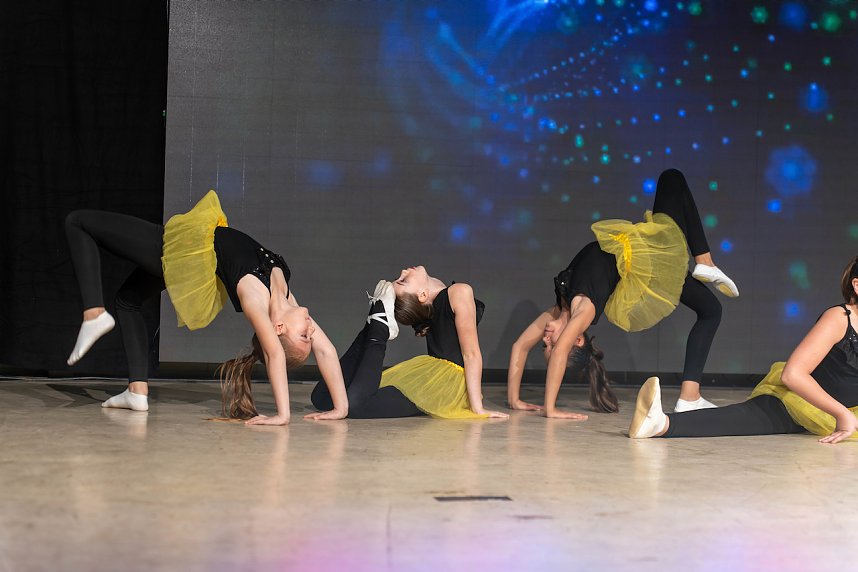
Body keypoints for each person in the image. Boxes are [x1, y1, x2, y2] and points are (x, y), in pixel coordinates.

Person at [64, 190, 347, 425]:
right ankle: (137, 391)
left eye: (304, 336)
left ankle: (94, 313)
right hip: (194, 256)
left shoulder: (255, 300)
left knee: (78, 222)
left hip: (187, 248)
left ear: (279, 328)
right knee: (128, 302)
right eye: (310, 334)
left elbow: (274, 353)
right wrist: (340, 408)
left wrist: (283, 415)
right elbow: (326, 350)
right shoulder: (287, 299)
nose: (312, 330)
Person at [506, 169, 738, 419]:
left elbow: (519, 347)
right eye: (551, 344)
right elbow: (561, 352)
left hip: (649, 264)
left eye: (544, 344)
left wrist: (514, 400)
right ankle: (705, 261)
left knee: (711, 311)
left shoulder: (559, 307)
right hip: (651, 263)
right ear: (577, 340)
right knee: (672, 179)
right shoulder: (583, 309)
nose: (547, 338)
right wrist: (550, 409)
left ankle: (689, 396)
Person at [630, 256, 858, 444]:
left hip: (847, 411)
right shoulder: (839, 318)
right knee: (745, 418)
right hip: (802, 403)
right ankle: (660, 423)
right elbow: (793, 375)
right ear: (856, 285)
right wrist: (841, 413)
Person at [311, 274, 508, 419]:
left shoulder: (455, 293)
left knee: (353, 404)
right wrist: (478, 407)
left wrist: (476, 406)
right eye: (403, 280)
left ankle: (377, 325)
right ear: (422, 295)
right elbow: (471, 354)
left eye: (401, 279)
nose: (404, 271)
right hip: (434, 378)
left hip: (444, 384)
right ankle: (374, 324)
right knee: (322, 397)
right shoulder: (459, 291)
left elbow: (470, 354)